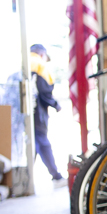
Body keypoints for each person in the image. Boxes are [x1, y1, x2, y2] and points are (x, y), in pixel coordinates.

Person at [30, 44, 66, 188]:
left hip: (24, 113)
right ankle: (56, 176)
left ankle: (22, 178)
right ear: (41, 53)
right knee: (42, 142)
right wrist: (56, 105)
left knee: (31, 144)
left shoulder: (25, 63)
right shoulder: (40, 65)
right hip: (38, 111)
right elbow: (45, 92)